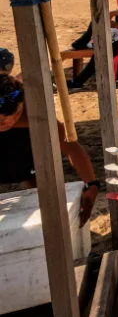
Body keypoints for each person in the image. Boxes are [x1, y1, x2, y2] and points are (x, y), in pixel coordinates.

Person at [0, 72, 98, 226]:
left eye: (5, 120)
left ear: (20, 106)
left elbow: (70, 146)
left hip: (25, 150)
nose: (3, 124)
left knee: (37, 181)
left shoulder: (34, 110)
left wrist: (91, 184)